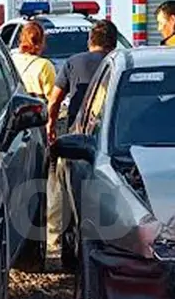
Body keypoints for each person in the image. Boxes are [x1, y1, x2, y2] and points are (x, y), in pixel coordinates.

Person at [44, 19, 119, 254]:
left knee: (69, 190)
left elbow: (54, 100)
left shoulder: (73, 63)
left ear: (90, 42)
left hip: (78, 135)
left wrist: (51, 125)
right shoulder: (117, 63)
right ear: (113, 44)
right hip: (112, 137)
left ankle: (67, 244)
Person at [10, 22, 56, 101]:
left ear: (21, 39)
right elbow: (53, 99)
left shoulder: (11, 60)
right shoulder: (44, 66)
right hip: (37, 111)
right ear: (42, 41)